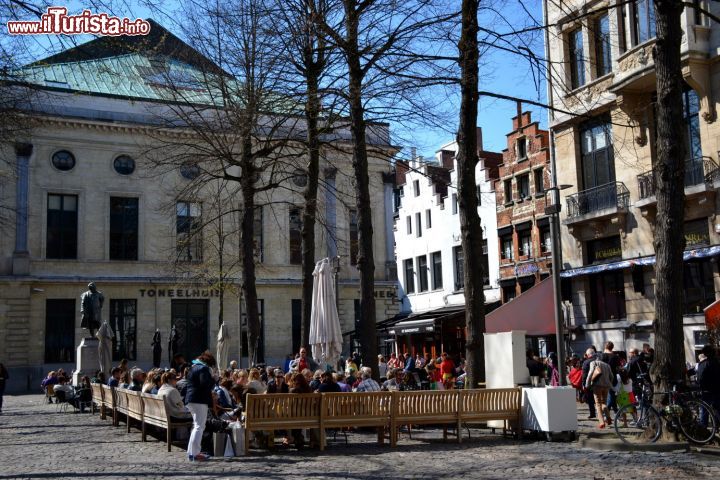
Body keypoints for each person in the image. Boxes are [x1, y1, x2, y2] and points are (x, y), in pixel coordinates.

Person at [185, 351, 217, 462]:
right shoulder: (203, 369)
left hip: (191, 399)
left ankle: (191, 452)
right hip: (199, 399)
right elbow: (205, 384)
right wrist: (214, 379)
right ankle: (195, 453)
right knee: (199, 426)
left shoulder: (193, 367)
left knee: (196, 426)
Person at [585, 353, 614, 429]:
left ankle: (601, 422)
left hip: (597, 386)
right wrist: (609, 383)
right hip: (606, 386)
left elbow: (591, 373)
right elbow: (612, 376)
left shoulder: (593, 363)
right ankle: (608, 418)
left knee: (598, 404)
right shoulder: (607, 365)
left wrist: (587, 384)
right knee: (604, 403)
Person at [581, 347, 598, 419]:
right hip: (599, 382)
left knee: (590, 399)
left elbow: (584, 374)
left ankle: (592, 413)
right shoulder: (599, 360)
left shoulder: (586, 362)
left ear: (588, 355)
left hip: (590, 383)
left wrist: (583, 384)